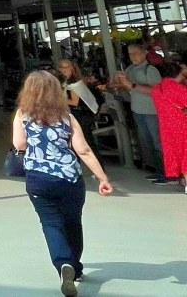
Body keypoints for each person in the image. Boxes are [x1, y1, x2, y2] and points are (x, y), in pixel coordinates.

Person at [13, 70, 112, 297]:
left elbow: (19, 143)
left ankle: (63, 264)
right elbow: (84, 150)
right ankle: (74, 266)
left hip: (38, 179)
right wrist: (102, 178)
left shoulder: (22, 114)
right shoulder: (67, 117)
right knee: (72, 222)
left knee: (51, 224)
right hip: (69, 179)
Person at [116, 61, 187, 192]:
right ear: (178, 73)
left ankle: (182, 181)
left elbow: (147, 90)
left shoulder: (159, 88)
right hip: (182, 125)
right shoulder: (178, 88)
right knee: (185, 154)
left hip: (166, 127)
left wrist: (130, 84)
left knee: (176, 153)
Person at [117, 44, 168, 183]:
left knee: (158, 142)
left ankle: (168, 173)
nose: (133, 56)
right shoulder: (130, 69)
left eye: (136, 53)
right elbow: (127, 86)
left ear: (144, 53)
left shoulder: (149, 69)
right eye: (130, 54)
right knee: (149, 142)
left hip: (152, 111)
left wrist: (132, 85)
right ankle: (159, 170)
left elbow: (157, 92)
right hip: (138, 110)